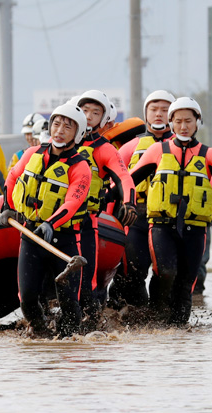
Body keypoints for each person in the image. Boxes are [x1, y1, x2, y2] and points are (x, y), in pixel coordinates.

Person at [129, 97, 212, 325]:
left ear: (198, 122)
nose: (183, 126)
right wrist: (108, 199)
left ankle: (179, 335)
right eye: (178, 121)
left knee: (186, 283)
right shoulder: (157, 151)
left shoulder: (209, 154)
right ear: (172, 123)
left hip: (195, 229)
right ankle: (155, 320)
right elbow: (128, 180)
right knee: (166, 272)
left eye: (188, 121)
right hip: (161, 227)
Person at [0, 103, 92, 338]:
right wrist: (8, 207)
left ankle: (68, 343)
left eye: (67, 126)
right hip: (31, 235)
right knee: (28, 300)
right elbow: (12, 176)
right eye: (56, 124)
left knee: (69, 302)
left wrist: (50, 223)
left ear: (78, 134)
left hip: (64, 240)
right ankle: (42, 337)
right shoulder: (32, 154)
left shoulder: (80, 167)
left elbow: (72, 202)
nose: (59, 130)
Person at [75, 90, 138, 329]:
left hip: (87, 221)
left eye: (95, 112)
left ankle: (90, 328)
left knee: (88, 280)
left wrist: (129, 202)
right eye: (85, 111)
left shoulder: (105, 149)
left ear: (103, 119)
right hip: (54, 223)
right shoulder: (56, 144)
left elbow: (124, 177)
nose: (89, 116)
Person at [109, 90, 177, 309]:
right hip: (135, 215)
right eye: (154, 109)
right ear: (146, 114)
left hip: (170, 218)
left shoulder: (185, 147)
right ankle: (134, 319)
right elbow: (116, 181)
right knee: (132, 271)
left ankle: (160, 316)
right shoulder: (131, 146)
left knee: (166, 272)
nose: (159, 114)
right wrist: (111, 212)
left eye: (165, 110)